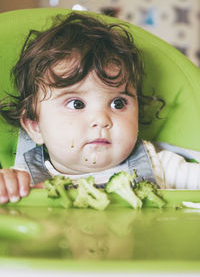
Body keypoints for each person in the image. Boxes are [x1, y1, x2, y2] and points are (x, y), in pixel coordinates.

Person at [0, 12, 200, 204]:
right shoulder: (23, 180)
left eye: (118, 103)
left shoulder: (159, 166)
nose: (101, 119)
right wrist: (6, 188)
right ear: (35, 126)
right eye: (77, 104)